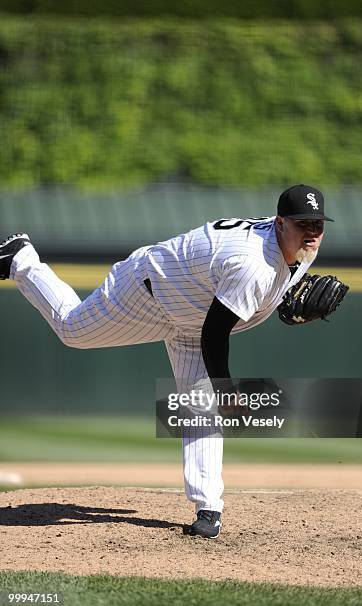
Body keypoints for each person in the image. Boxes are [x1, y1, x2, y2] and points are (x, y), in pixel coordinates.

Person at [0, 184, 332, 538]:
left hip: (193, 314)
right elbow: (215, 334)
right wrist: (225, 389)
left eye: (317, 224)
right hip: (148, 290)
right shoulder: (252, 263)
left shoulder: (300, 248)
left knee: (200, 405)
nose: (311, 232)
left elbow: (243, 304)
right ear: (280, 223)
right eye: (302, 224)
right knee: (72, 330)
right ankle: (21, 259)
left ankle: (208, 507)